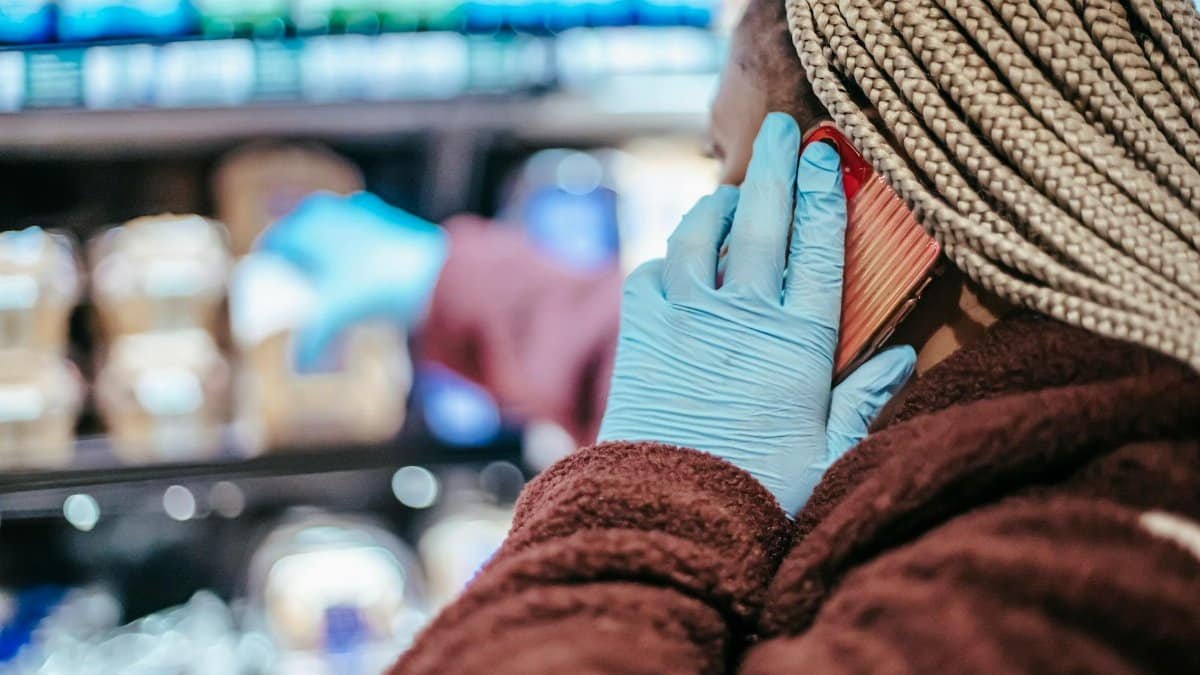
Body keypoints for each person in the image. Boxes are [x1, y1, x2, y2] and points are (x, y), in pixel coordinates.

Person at [260, 0, 1200, 671]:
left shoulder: (1054, 596)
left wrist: (651, 490)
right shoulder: (1099, 382)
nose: (709, 225)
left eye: (729, 171)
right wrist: (455, 282)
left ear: (842, 209)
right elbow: (746, 369)